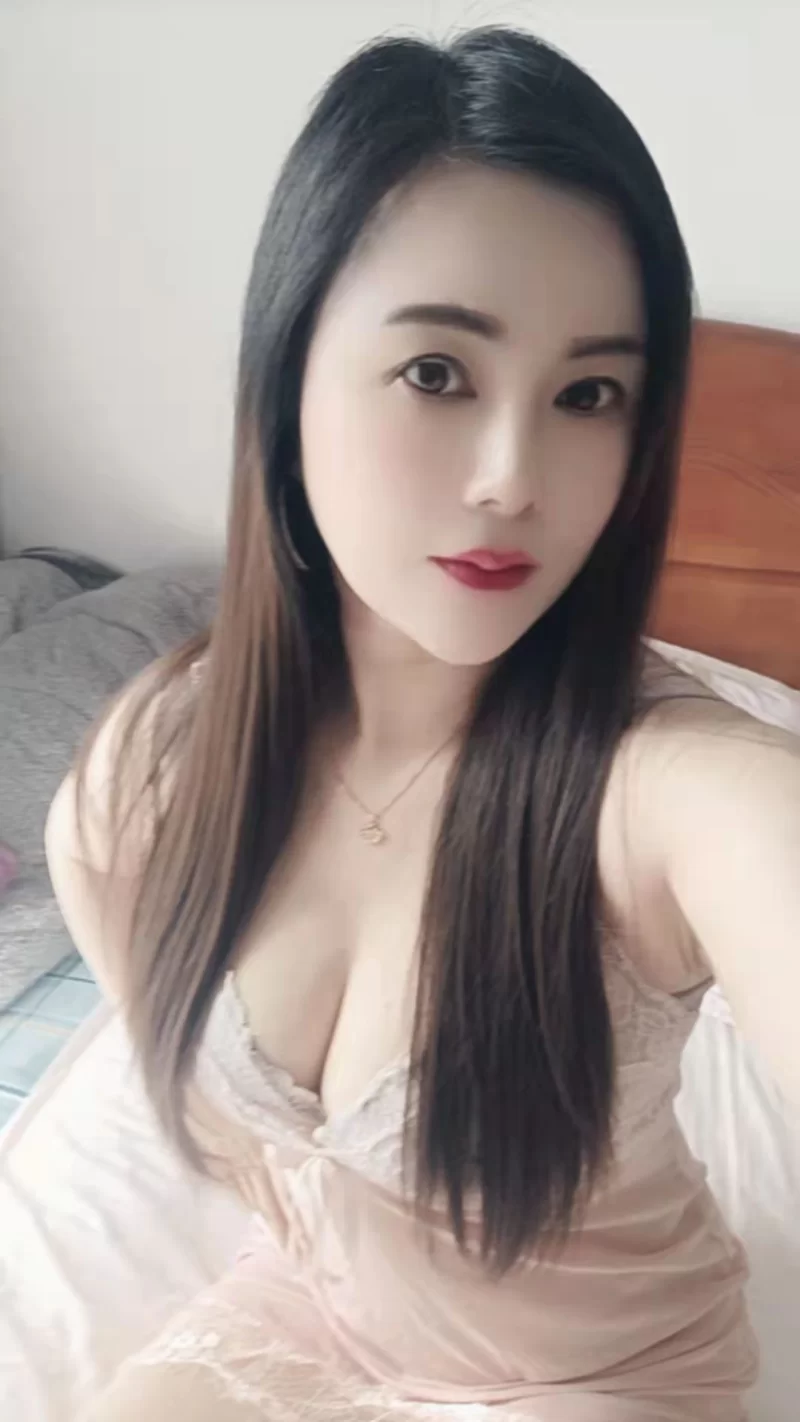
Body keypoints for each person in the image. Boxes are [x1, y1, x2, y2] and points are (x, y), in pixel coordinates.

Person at [44, 25, 799, 1422]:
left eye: (590, 394)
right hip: (296, 1319)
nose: (514, 477)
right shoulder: (150, 769)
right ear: (288, 374)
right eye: (438, 372)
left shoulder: (681, 788)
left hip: (604, 1376)